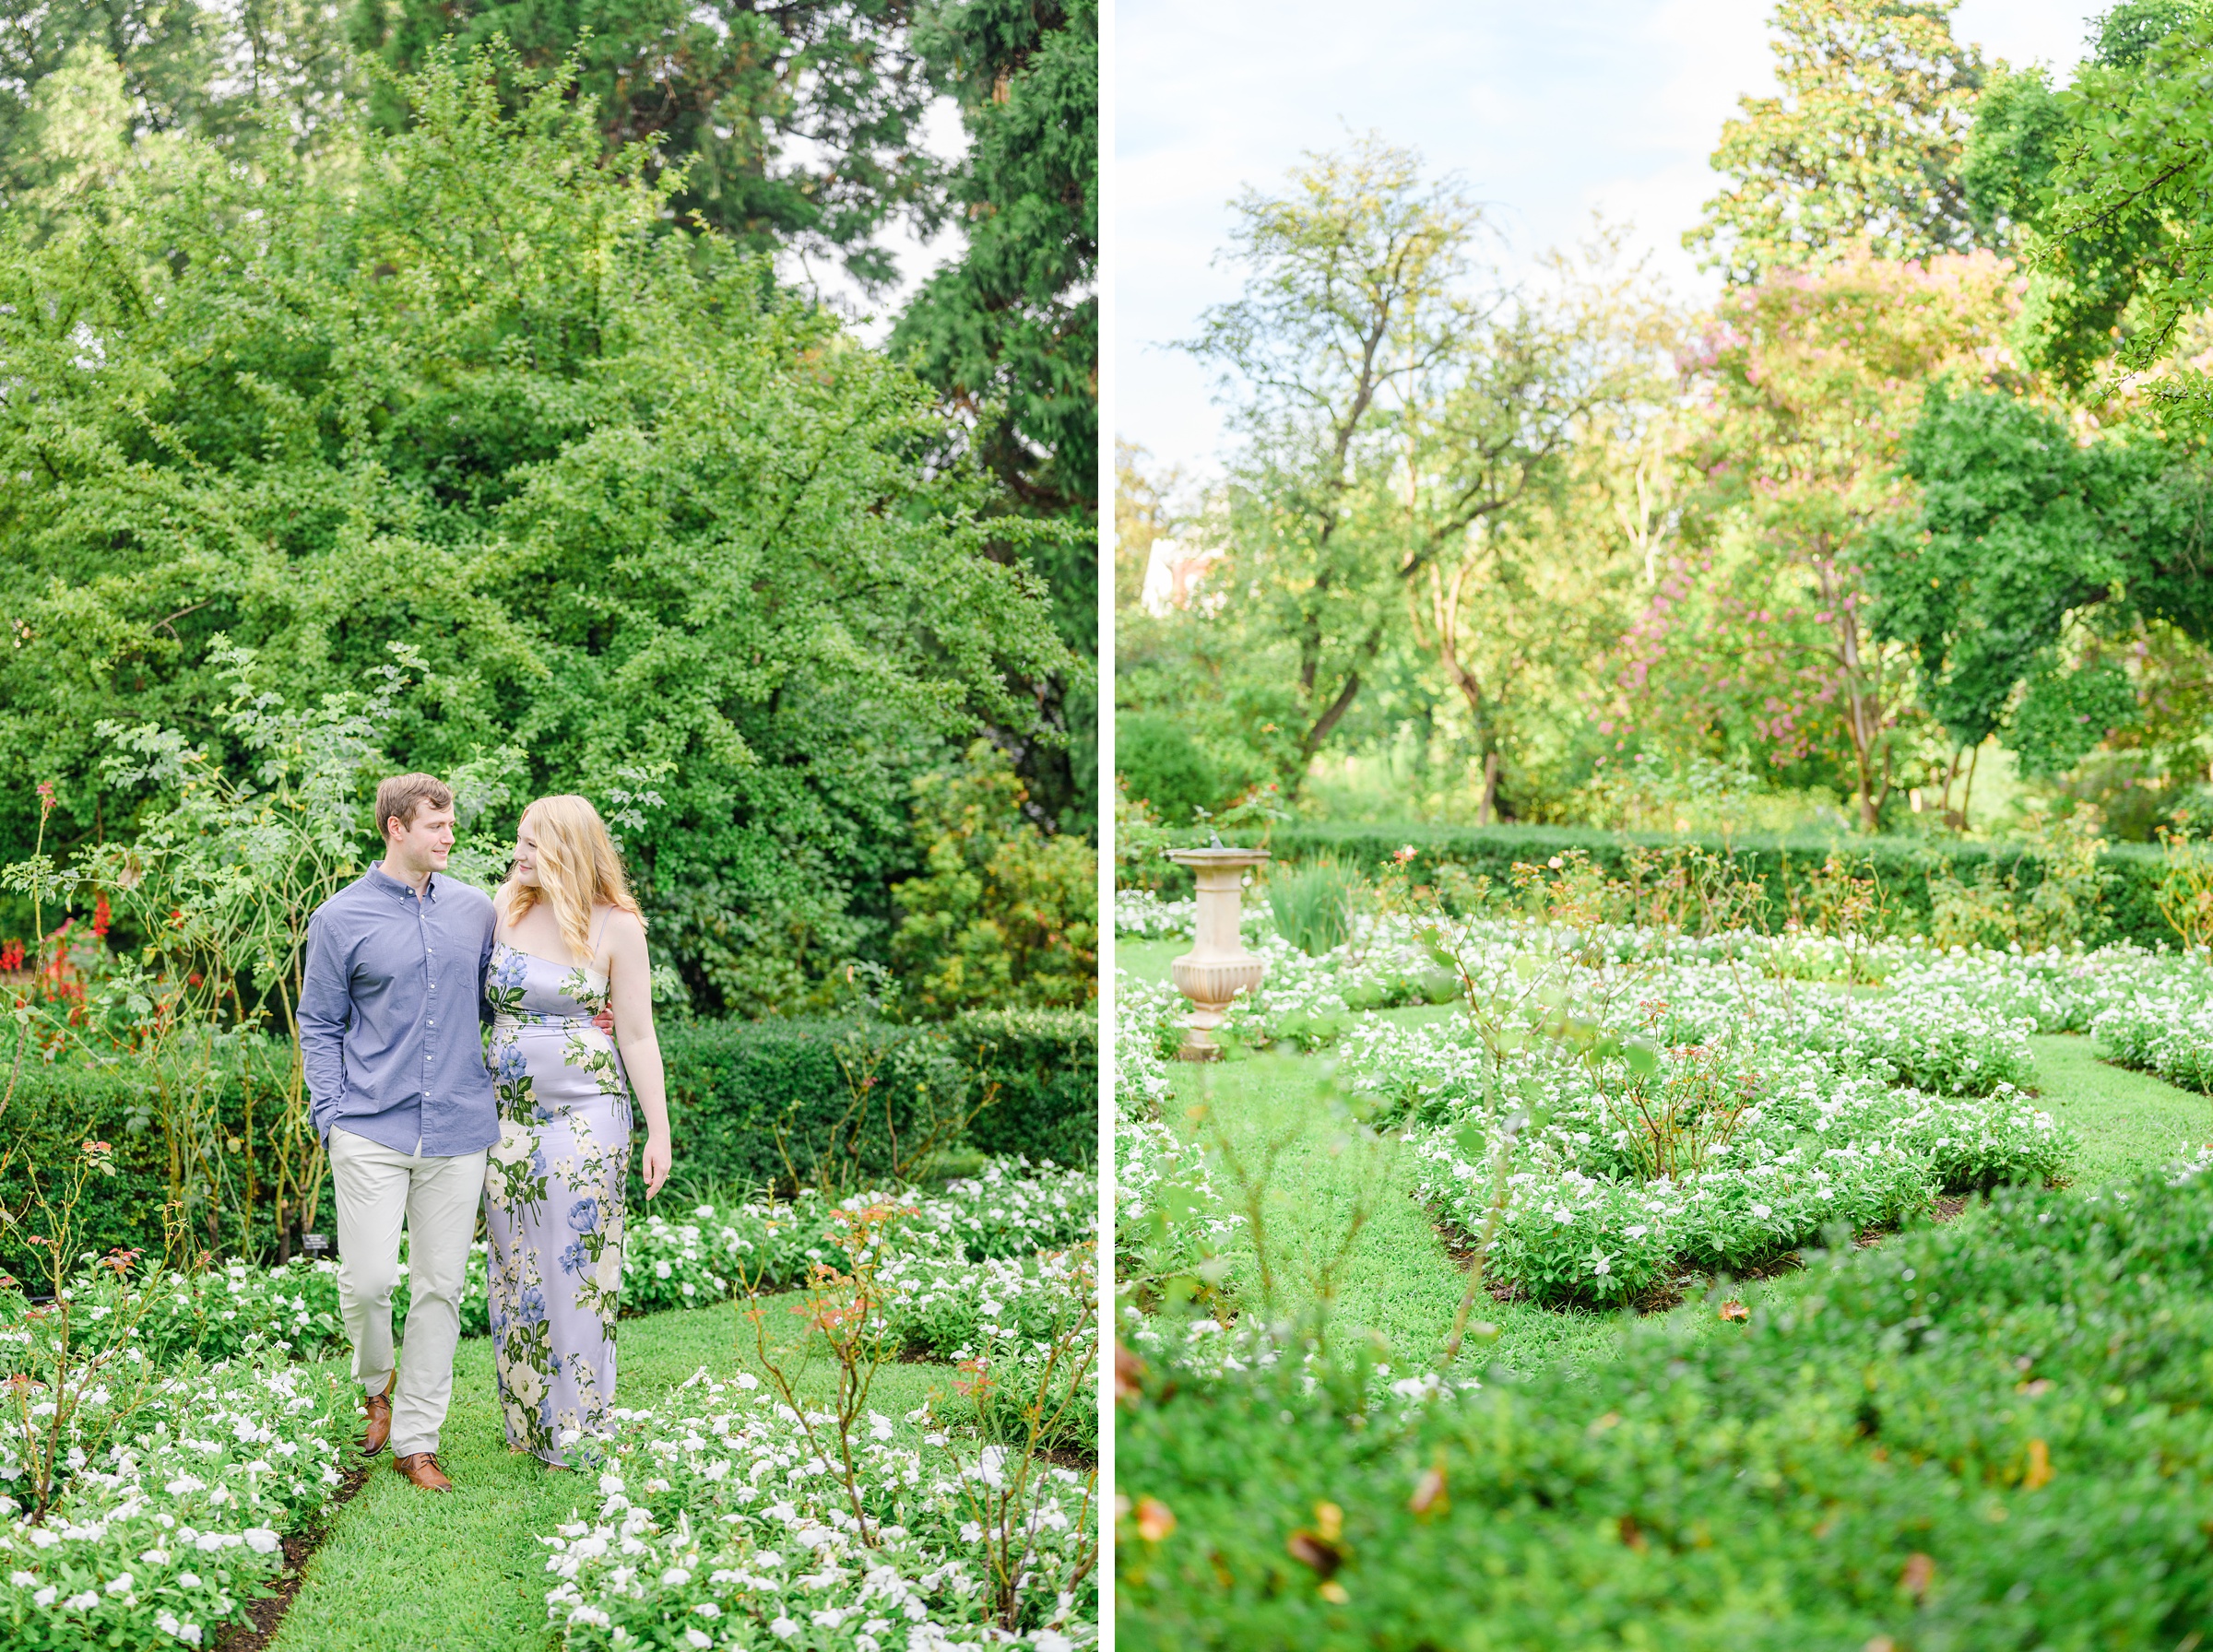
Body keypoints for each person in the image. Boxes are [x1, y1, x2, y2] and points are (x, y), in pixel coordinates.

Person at [299, 773, 498, 1493]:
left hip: (459, 1129)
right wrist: (332, 1113)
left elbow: (505, 1000)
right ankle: (374, 1381)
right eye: (436, 826)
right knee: (371, 1281)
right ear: (395, 828)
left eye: (450, 825)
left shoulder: (477, 911)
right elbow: (318, 1024)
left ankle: (417, 1440)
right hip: (369, 1128)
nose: (449, 837)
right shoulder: (340, 919)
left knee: (440, 1288)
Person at [481, 794, 671, 1465]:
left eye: (532, 843)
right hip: (506, 1122)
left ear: (567, 847)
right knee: (515, 1268)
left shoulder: (619, 926)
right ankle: (529, 1424)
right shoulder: (506, 906)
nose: (519, 854)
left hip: (589, 1116)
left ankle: (582, 1426)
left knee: (579, 1267)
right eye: (518, 842)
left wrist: (660, 1131)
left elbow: (640, 1034)